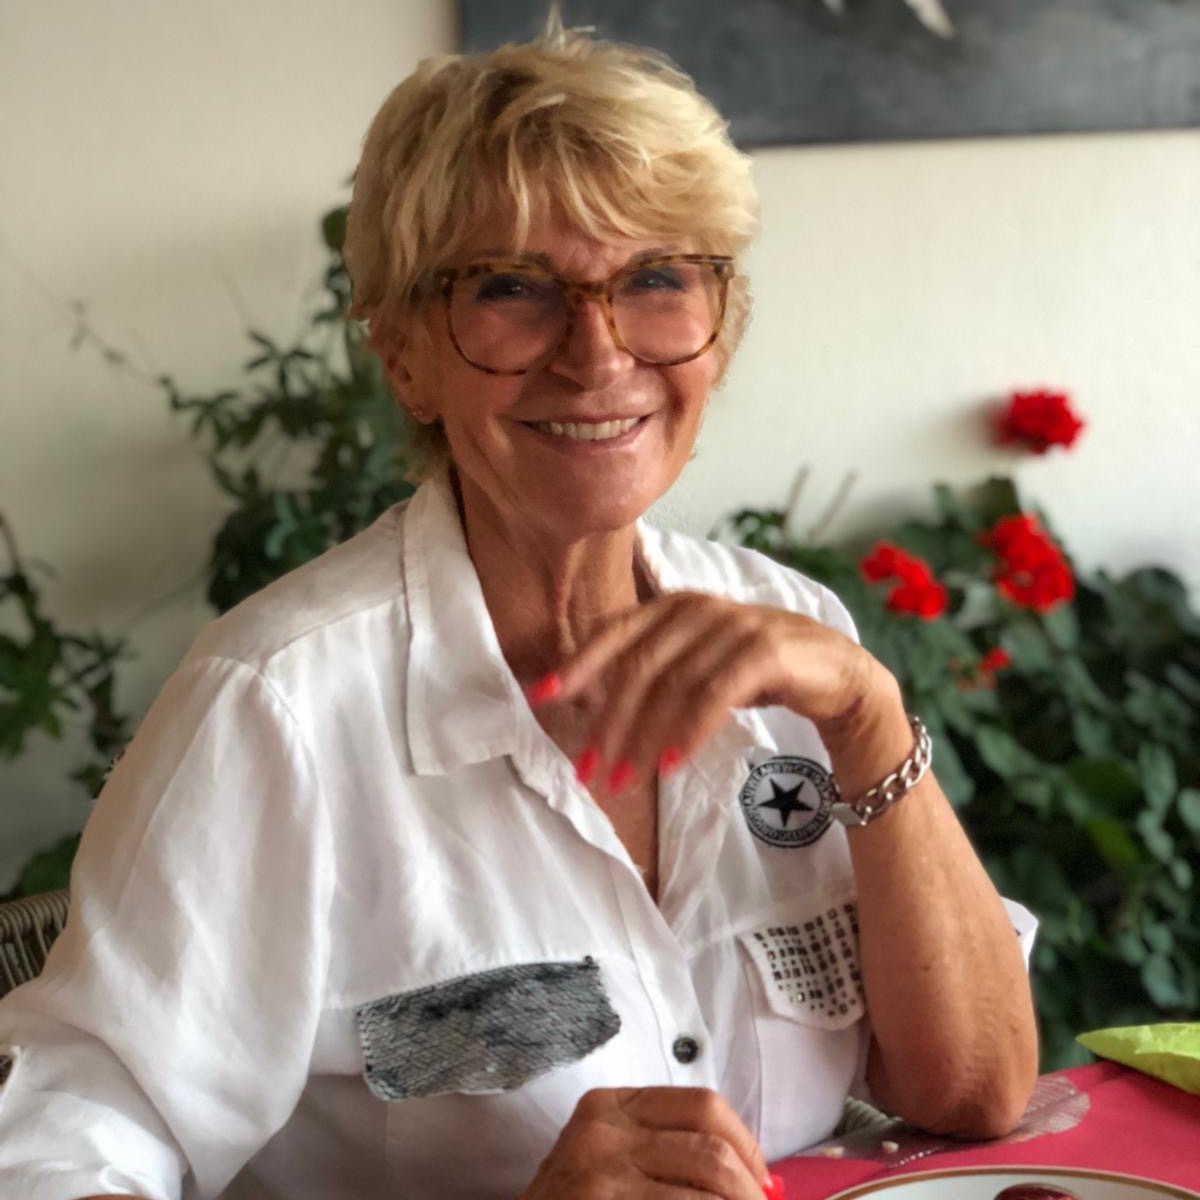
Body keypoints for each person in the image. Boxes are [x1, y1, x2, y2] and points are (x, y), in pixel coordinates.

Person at [0, 17, 1039, 1200]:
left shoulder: (797, 641)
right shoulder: (276, 707)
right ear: (404, 354)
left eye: (657, 278)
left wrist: (868, 717)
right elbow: (50, 1164)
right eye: (512, 289)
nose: (597, 355)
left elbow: (975, 1090)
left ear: (723, 325)